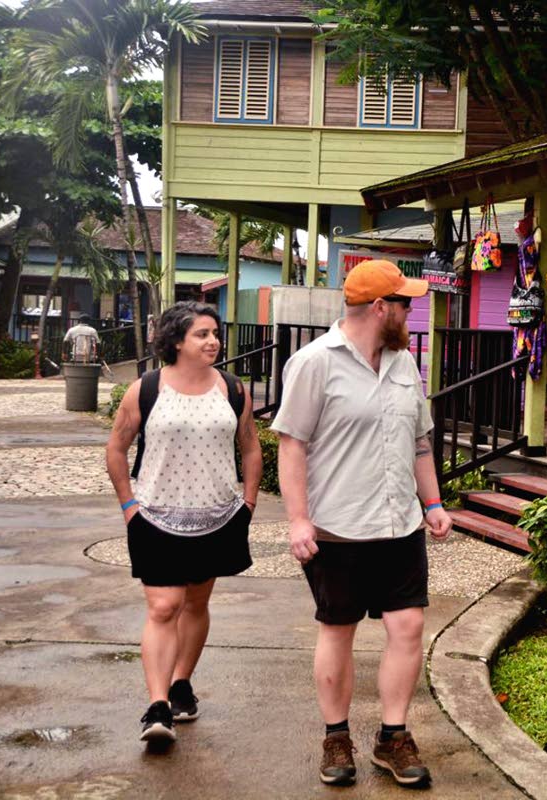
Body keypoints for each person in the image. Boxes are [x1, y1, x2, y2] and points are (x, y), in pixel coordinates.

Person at [272, 259, 451, 788]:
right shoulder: (314, 363)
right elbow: (291, 445)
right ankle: (336, 736)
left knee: (408, 626)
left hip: (400, 525)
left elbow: (419, 441)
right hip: (338, 526)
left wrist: (433, 503)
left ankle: (393, 737)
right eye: (405, 304)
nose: (411, 312)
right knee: (338, 629)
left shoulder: (404, 364)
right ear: (379, 308)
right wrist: (298, 520)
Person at [104, 301, 261, 745]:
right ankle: (157, 707)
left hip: (217, 518)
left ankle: (180, 684)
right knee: (163, 606)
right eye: (202, 334)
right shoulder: (146, 389)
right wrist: (129, 506)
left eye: (215, 333)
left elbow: (250, 445)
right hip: (155, 517)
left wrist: (248, 503)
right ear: (176, 340)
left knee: (195, 604)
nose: (213, 341)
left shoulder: (233, 389)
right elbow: (116, 448)